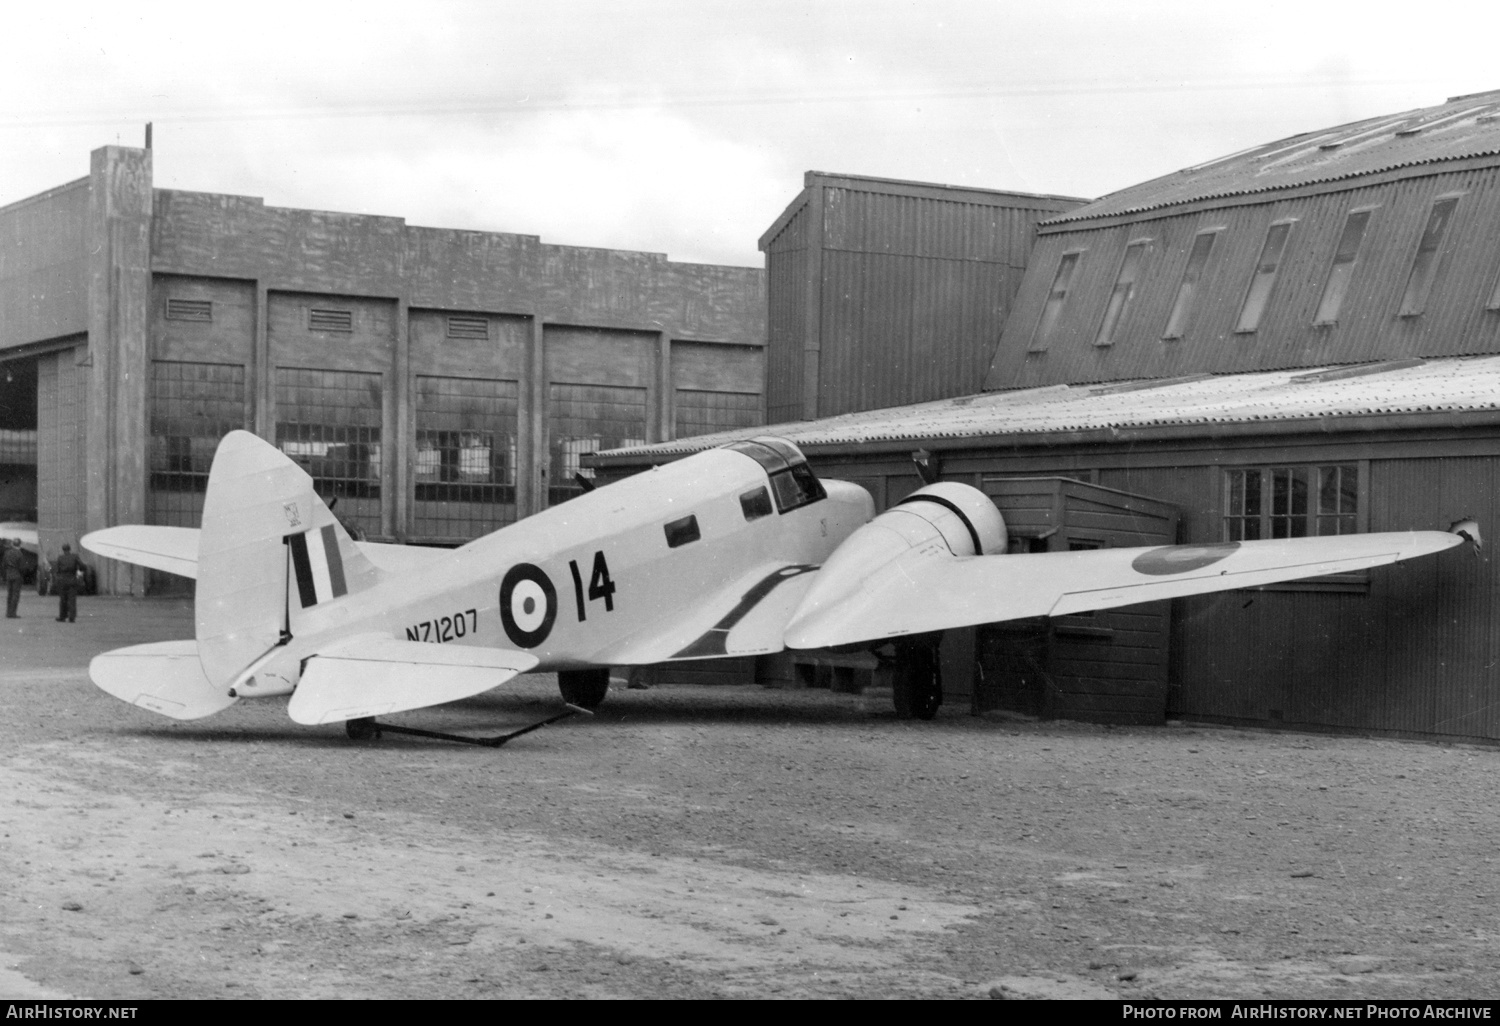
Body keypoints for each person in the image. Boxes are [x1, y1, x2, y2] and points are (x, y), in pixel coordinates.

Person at [52, 543, 83, 623]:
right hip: (72, 580)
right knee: (72, 599)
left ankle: (62, 616)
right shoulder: (75, 556)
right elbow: (82, 566)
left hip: (62, 581)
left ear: (63, 549)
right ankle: (72, 617)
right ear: (70, 549)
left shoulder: (60, 558)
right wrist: (79, 570)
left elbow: (57, 570)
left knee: (63, 599)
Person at [3, 538, 24, 619]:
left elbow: (4, 565)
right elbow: (22, 567)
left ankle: (8, 612)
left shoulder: (7, 553)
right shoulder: (20, 554)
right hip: (17, 575)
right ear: (19, 544)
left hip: (9, 574)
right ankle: (13, 613)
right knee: (15, 594)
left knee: (9, 594)